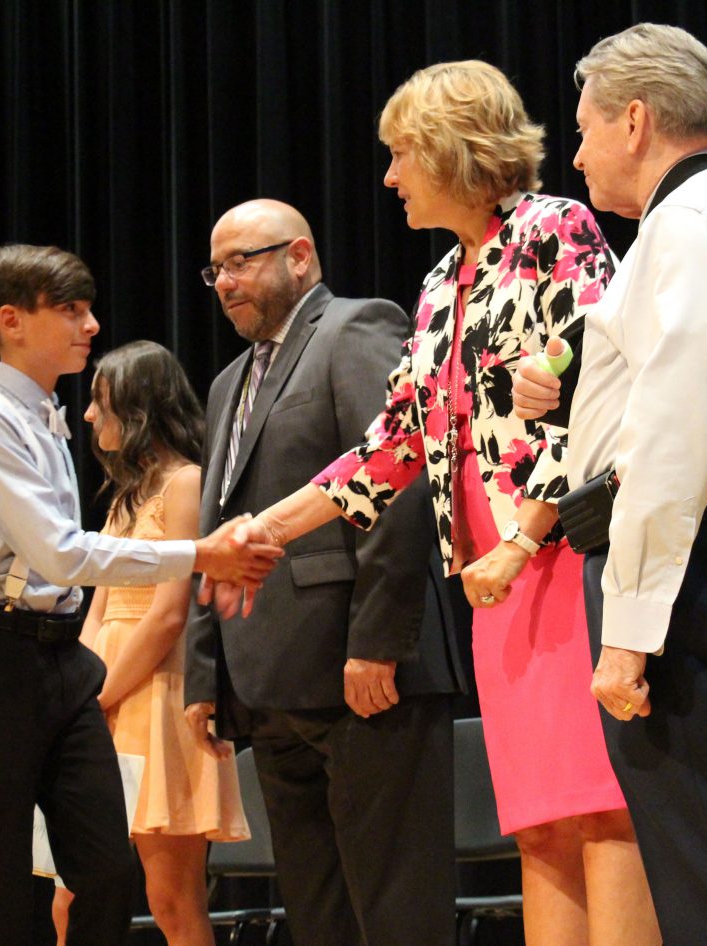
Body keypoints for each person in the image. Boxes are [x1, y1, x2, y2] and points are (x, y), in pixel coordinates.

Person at [219, 64, 661, 945]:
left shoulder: (553, 229)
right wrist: (268, 526)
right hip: (494, 583)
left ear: (452, 149)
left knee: (603, 810)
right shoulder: (437, 286)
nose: (388, 178)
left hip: (562, 555)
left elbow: (606, 400)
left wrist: (524, 538)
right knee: (538, 821)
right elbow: (392, 447)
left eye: (399, 155)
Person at [512, 23, 707, 945]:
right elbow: (690, 388)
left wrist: (631, 632)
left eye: (581, 129)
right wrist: (574, 389)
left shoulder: (687, 221)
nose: (573, 152)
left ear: (637, 120)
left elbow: (679, 425)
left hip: (692, 555)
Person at [0, 243, 282, 946]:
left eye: (88, 308)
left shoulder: (47, 418)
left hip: (62, 660)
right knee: (1, 872)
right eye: (70, 310)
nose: (91, 325)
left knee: (103, 868)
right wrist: (200, 553)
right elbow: (59, 552)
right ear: (12, 321)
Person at [184, 199, 464, 946]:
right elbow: (219, 534)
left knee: (397, 907)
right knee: (317, 915)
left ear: (299, 255)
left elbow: (397, 485)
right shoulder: (226, 383)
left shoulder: (356, 326)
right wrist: (204, 674)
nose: (224, 281)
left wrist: (377, 642)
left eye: (241, 261)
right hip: (266, 684)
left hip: (362, 673)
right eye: (215, 269)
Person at [52, 340, 249, 946]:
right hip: (102, 698)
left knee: (171, 899)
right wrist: (81, 693)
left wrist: (99, 696)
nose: (88, 416)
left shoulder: (185, 484)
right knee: (69, 895)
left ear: (138, 408)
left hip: (153, 700)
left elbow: (167, 617)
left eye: (99, 401)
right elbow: (99, 608)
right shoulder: (125, 495)